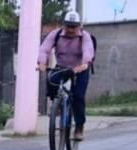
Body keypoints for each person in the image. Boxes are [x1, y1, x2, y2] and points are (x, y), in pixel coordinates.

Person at [36, 10, 94, 141]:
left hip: (80, 69)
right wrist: (42, 63)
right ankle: (57, 104)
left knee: (78, 96)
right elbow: (44, 48)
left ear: (79, 26)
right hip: (62, 67)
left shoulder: (84, 37)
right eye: (68, 26)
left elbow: (88, 51)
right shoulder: (55, 34)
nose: (71, 29)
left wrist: (84, 64)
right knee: (51, 79)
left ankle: (79, 127)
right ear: (63, 25)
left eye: (74, 26)